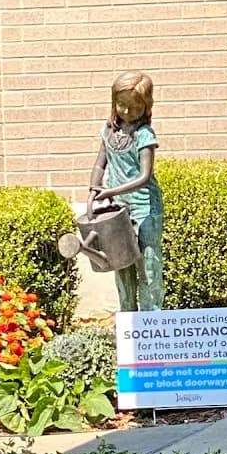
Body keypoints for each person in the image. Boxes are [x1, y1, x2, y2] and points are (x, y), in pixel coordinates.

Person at [88, 71, 164, 311]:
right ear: (113, 102)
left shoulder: (144, 135)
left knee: (148, 266)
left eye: (135, 107)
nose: (128, 112)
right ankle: (128, 321)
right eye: (122, 105)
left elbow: (144, 177)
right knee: (122, 265)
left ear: (146, 107)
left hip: (145, 210)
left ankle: (152, 324)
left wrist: (110, 192)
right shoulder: (108, 132)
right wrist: (95, 188)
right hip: (117, 211)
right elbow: (100, 164)